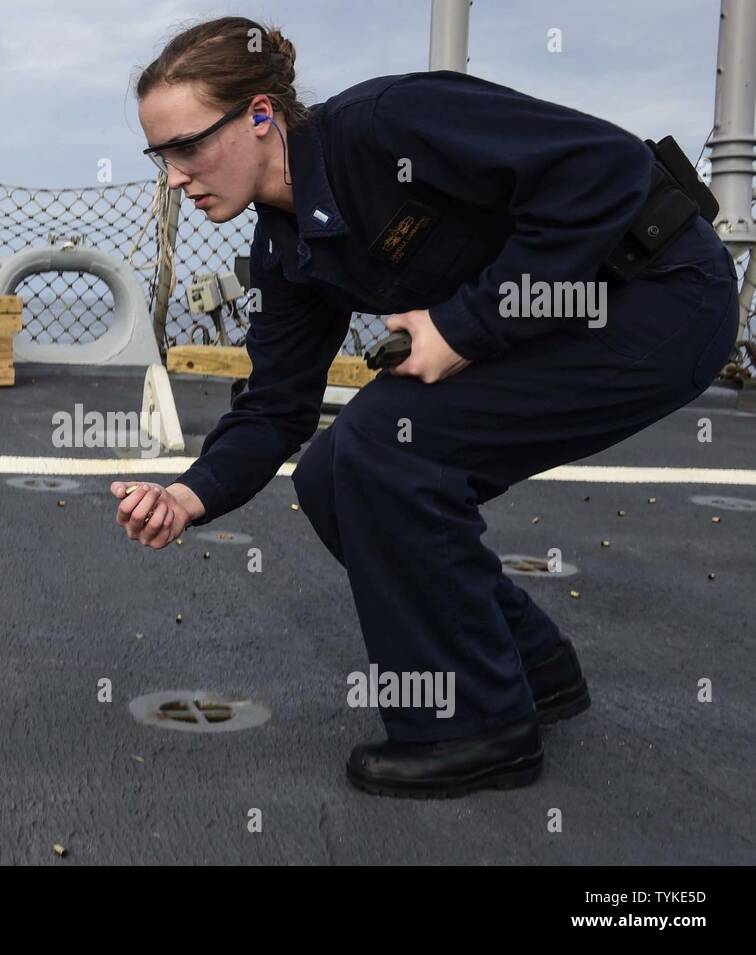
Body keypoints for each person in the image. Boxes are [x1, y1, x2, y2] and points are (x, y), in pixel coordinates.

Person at [113, 16, 739, 797]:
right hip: (564, 323)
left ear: (262, 115)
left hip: (662, 293)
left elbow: (607, 173)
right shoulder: (284, 248)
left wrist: (467, 325)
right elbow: (276, 406)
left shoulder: (388, 125)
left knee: (383, 444)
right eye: (159, 155)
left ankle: (477, 726)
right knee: (332, 470)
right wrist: (185, 494)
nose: (175, 175)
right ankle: (531, 666)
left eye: (188, 145)